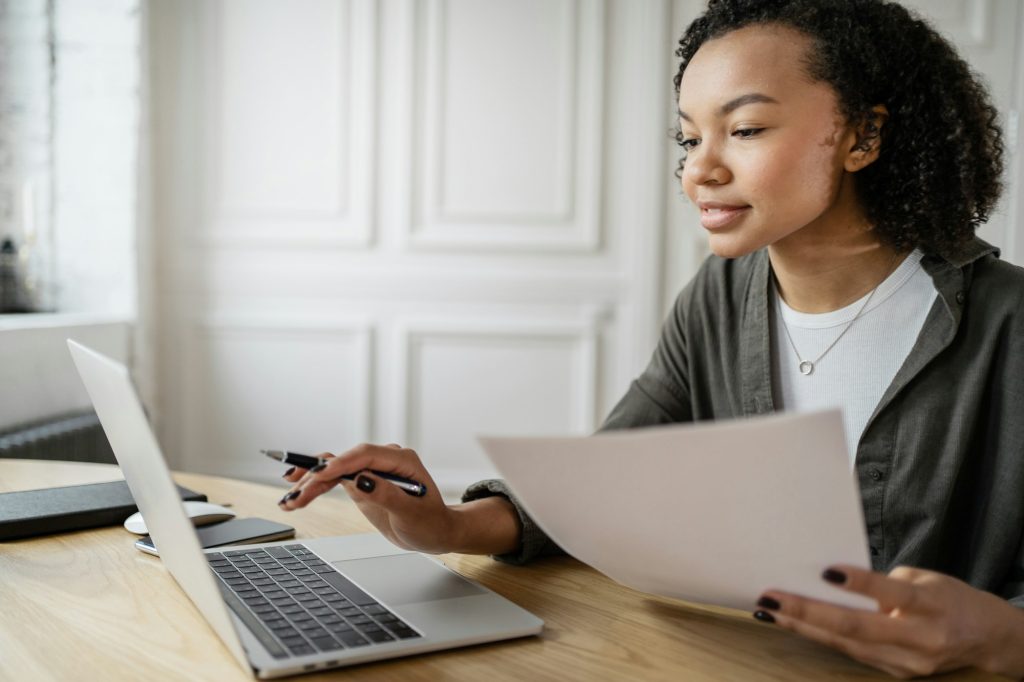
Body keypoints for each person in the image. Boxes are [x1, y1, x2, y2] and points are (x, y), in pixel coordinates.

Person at [277, 0, 1024, 676]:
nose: (700, 168)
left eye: (746, 129)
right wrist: (447, 525)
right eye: (689, 136)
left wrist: (998, 638)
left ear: (864, 136)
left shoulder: (1009, 324)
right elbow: (609, 482)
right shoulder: (719, 297)